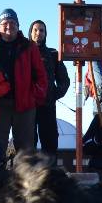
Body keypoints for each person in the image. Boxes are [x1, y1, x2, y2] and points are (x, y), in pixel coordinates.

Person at [0, 8, 48, 153]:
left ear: (18, 25)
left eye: (13, 23)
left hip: (24, 103)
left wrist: (34, 97)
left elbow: (41, 74)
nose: (9, 26)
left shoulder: (29, 46)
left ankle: (27, 176)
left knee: (26, 147)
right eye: (5, 23)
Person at [30, 19, 70, 158]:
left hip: (47, 105)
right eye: (35, 30)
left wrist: (53, 94)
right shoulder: (23, 53)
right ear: (30, 32)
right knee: (29, 143)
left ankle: (50, 175)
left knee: (50, 143)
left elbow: (64, 81)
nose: (38, 33)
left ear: (46, 33)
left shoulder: (53, 54)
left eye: (42, 30)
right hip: (28, 105)